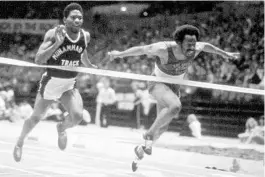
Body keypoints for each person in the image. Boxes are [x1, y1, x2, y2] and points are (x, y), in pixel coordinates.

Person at [108, 24, 240, 172]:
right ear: (179, 42)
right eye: (188, 43)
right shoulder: (163, 49)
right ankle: (148, 135)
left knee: (163, 126)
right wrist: (119, 54)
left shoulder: (195, 48)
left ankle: (139, 151)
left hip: (174, 86)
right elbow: (141, 49)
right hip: (158, 83)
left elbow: (208, 47)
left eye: (194, 43)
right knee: (175, 106)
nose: (192, 46)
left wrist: (224, 54)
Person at [13, 3, 97, 162]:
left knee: (78, 116)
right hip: (50, 84)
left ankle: (61, 128)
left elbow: (82, 51)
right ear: (65, 19)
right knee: (36, 118)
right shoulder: (53, 34)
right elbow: (38, 60)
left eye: (80, 17)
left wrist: (89, 65)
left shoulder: (85, 36)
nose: (77, 20)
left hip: (69, 85)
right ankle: (20, 141)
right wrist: (58, 44)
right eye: (73, 17)